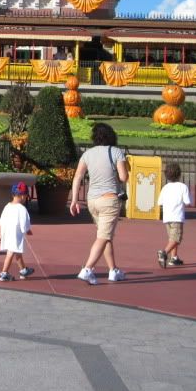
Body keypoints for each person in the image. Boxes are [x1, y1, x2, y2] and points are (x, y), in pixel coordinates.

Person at [70, 122, 129, 285]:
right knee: (103, 236)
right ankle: (87, 269)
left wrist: (74, 200)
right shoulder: (116, 152)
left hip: (92, 200)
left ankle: (113, 270)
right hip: (109, 199)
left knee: (105, 235)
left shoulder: (87, 154)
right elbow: (124, 177)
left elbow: (77, 177)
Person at [0, 181, 34, 282]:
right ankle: (3, 273)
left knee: (17, 252)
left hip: (7, 233)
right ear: (22, 196)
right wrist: (27, 230)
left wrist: (0, 234)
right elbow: (24, 224)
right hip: (15, 235)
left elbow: (1, 221)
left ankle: (23, 270)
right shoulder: (22, 209)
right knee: (11, 252)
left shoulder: (7, 206)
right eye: (26, 195)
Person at [157, 162, 191, 268]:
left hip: (167, 217)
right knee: (176, 239)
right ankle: (164, 252)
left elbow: (159, 202)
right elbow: (187, 201)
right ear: (179, 174)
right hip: (177, 216)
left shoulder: (165, 187)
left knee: (171, 238)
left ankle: (174, 257)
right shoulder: (183, 187)